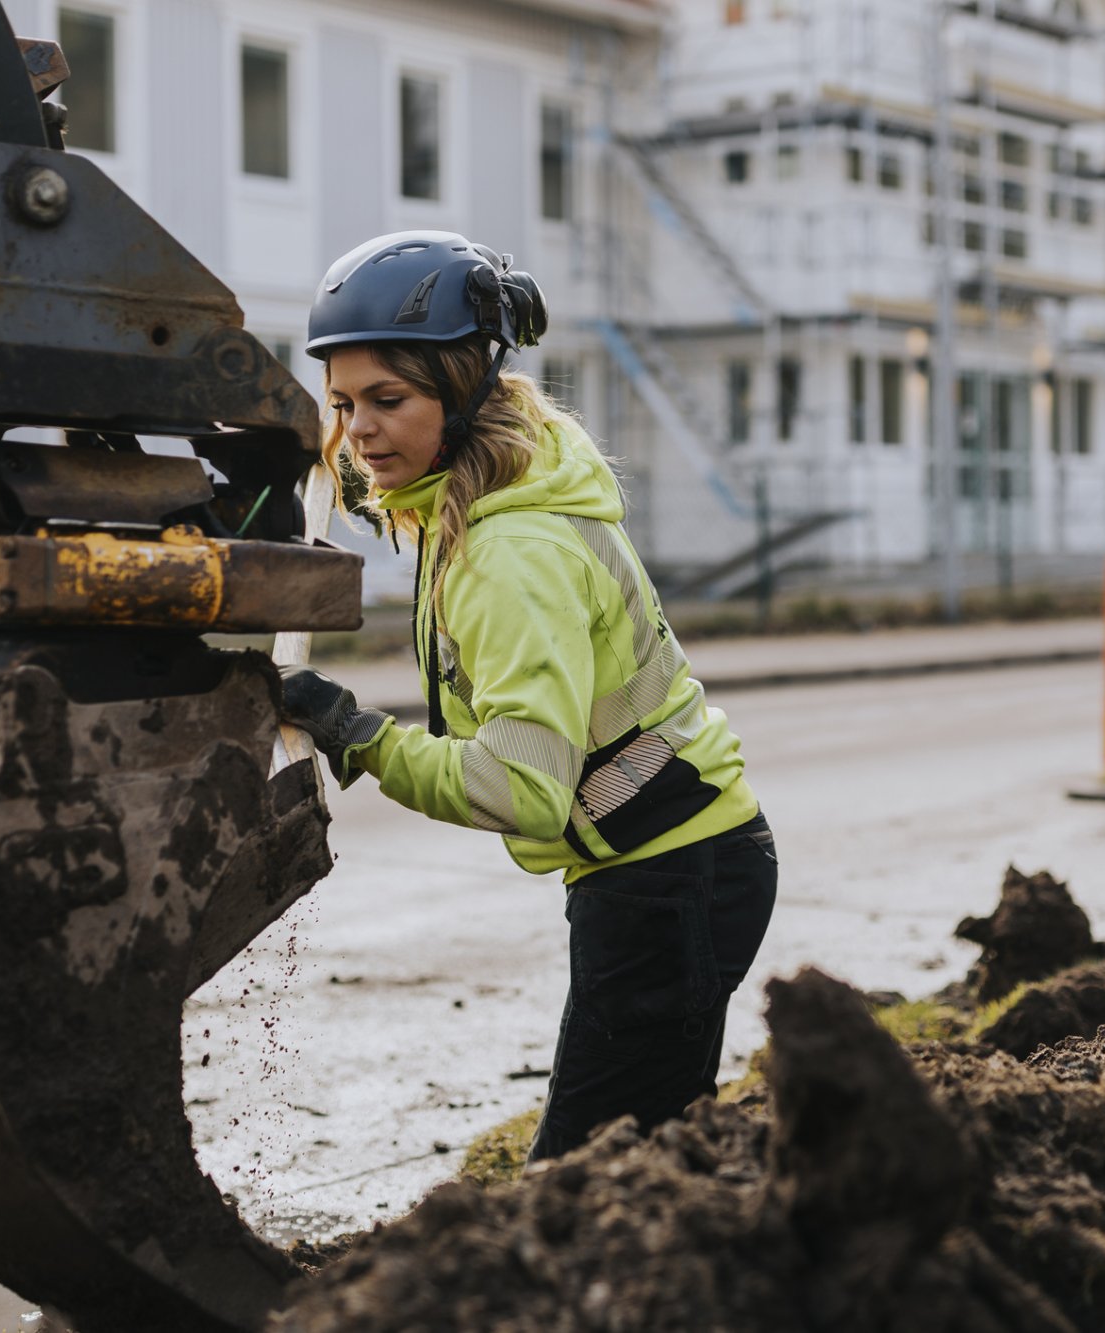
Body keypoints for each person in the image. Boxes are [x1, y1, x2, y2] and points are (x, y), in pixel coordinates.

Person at [276, 231, 776, 1162]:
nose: (359, 432)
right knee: (643, 1156)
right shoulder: (489, 486)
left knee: (583, 1179)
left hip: (673, 878)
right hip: (669, 862)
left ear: (463, 389)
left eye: (389, 400)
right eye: (342, 405)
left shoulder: (511, 553)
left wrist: (361, 738)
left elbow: (521, 788)